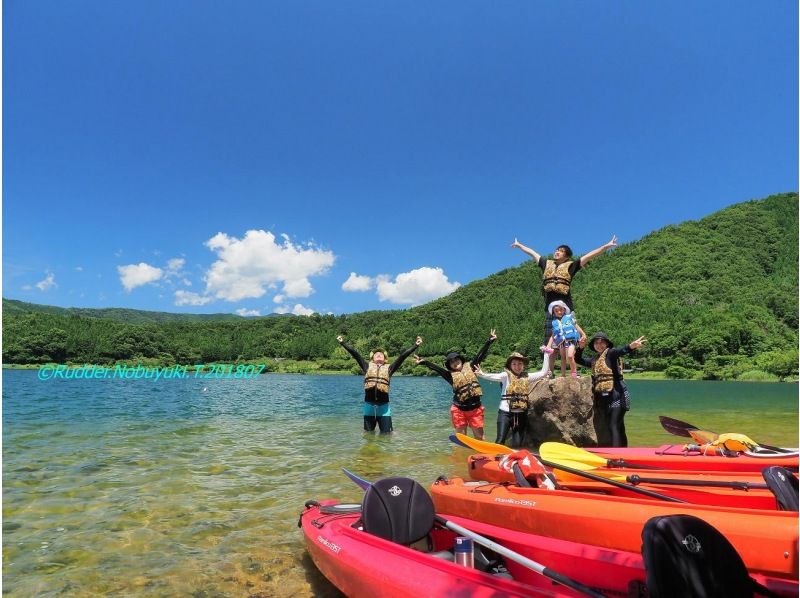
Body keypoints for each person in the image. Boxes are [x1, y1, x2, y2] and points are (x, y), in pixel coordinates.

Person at [510, 235, 618, 350]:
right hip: (551, 309)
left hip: (566, 309)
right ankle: (548, 361)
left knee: (569, 340)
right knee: (549, 341)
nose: (557, 252)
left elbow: (590, 255)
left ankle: (571, 360)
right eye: (557, 250)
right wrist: (519, 245)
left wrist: (607, 246)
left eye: (561, 251)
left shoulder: (571, 266)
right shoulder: (546, 264)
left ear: (566, 256)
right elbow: (532, 253)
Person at [413, 329, 498, 440]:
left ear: (461, 360)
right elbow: (437, 369)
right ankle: (460, 451)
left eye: (456, 360)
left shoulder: (471, 367)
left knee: (480, 438)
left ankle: (482, 451)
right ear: (450, 365)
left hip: (475, 409)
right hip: (459, 410)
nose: (454, 362)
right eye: (451, 362)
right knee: (461, 439)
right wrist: (424, 362)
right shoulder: (449, 376)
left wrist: (489, 341)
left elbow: (480, 355)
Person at [337, 335, 423, 434]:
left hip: (384, 408)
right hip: (369, 407)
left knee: (387, 435)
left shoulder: (390, 368)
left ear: (385, 358)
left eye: (381, 354)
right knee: (368, 436)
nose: (378, 354)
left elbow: (402, 356)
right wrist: (342, 343)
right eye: (376, 354)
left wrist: (415, 345)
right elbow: (355, 354)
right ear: (372, 358)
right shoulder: (366, 366)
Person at [575, 331, 646, 448]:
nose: (599, 345)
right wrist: (580, 348)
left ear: (607, 344)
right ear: (593, 345)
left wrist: (631, 346)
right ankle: (624, 452)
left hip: (618, 395)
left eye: (602, 342)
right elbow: (578, 360)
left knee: (613, 425)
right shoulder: (594, 360)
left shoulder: (611, 354)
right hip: (605, 398)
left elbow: (621, 351)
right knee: (619, 426)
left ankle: (616, 455)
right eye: (596, 343)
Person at [475, 351, 551, 449]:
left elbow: (543, 373)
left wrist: (546, 354)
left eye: (520, 364)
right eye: (514, 364)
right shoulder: (505, 376)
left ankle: (514, 457)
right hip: (505, 413)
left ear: (523, 365)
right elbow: (493, 377)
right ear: (510, 365)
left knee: (517, 444)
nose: (517, 366)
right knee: (500, 440)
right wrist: (481, 374)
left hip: (520, 414)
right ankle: (495, 455)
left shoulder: (527, 377)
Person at [541, 300, 586, 378]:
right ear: (554, 313)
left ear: (564, 310)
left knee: (570, 356)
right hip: (561, 343)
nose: (559, 312)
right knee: (563, 358)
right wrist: (548, 345)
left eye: (561, 310)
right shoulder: (554, 322)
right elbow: (553, 335)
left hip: (571, 341)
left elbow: (576, 326)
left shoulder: (569, 318)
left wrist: (583, 334)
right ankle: (563, 375)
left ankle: (574, 373)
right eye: (556, 311)